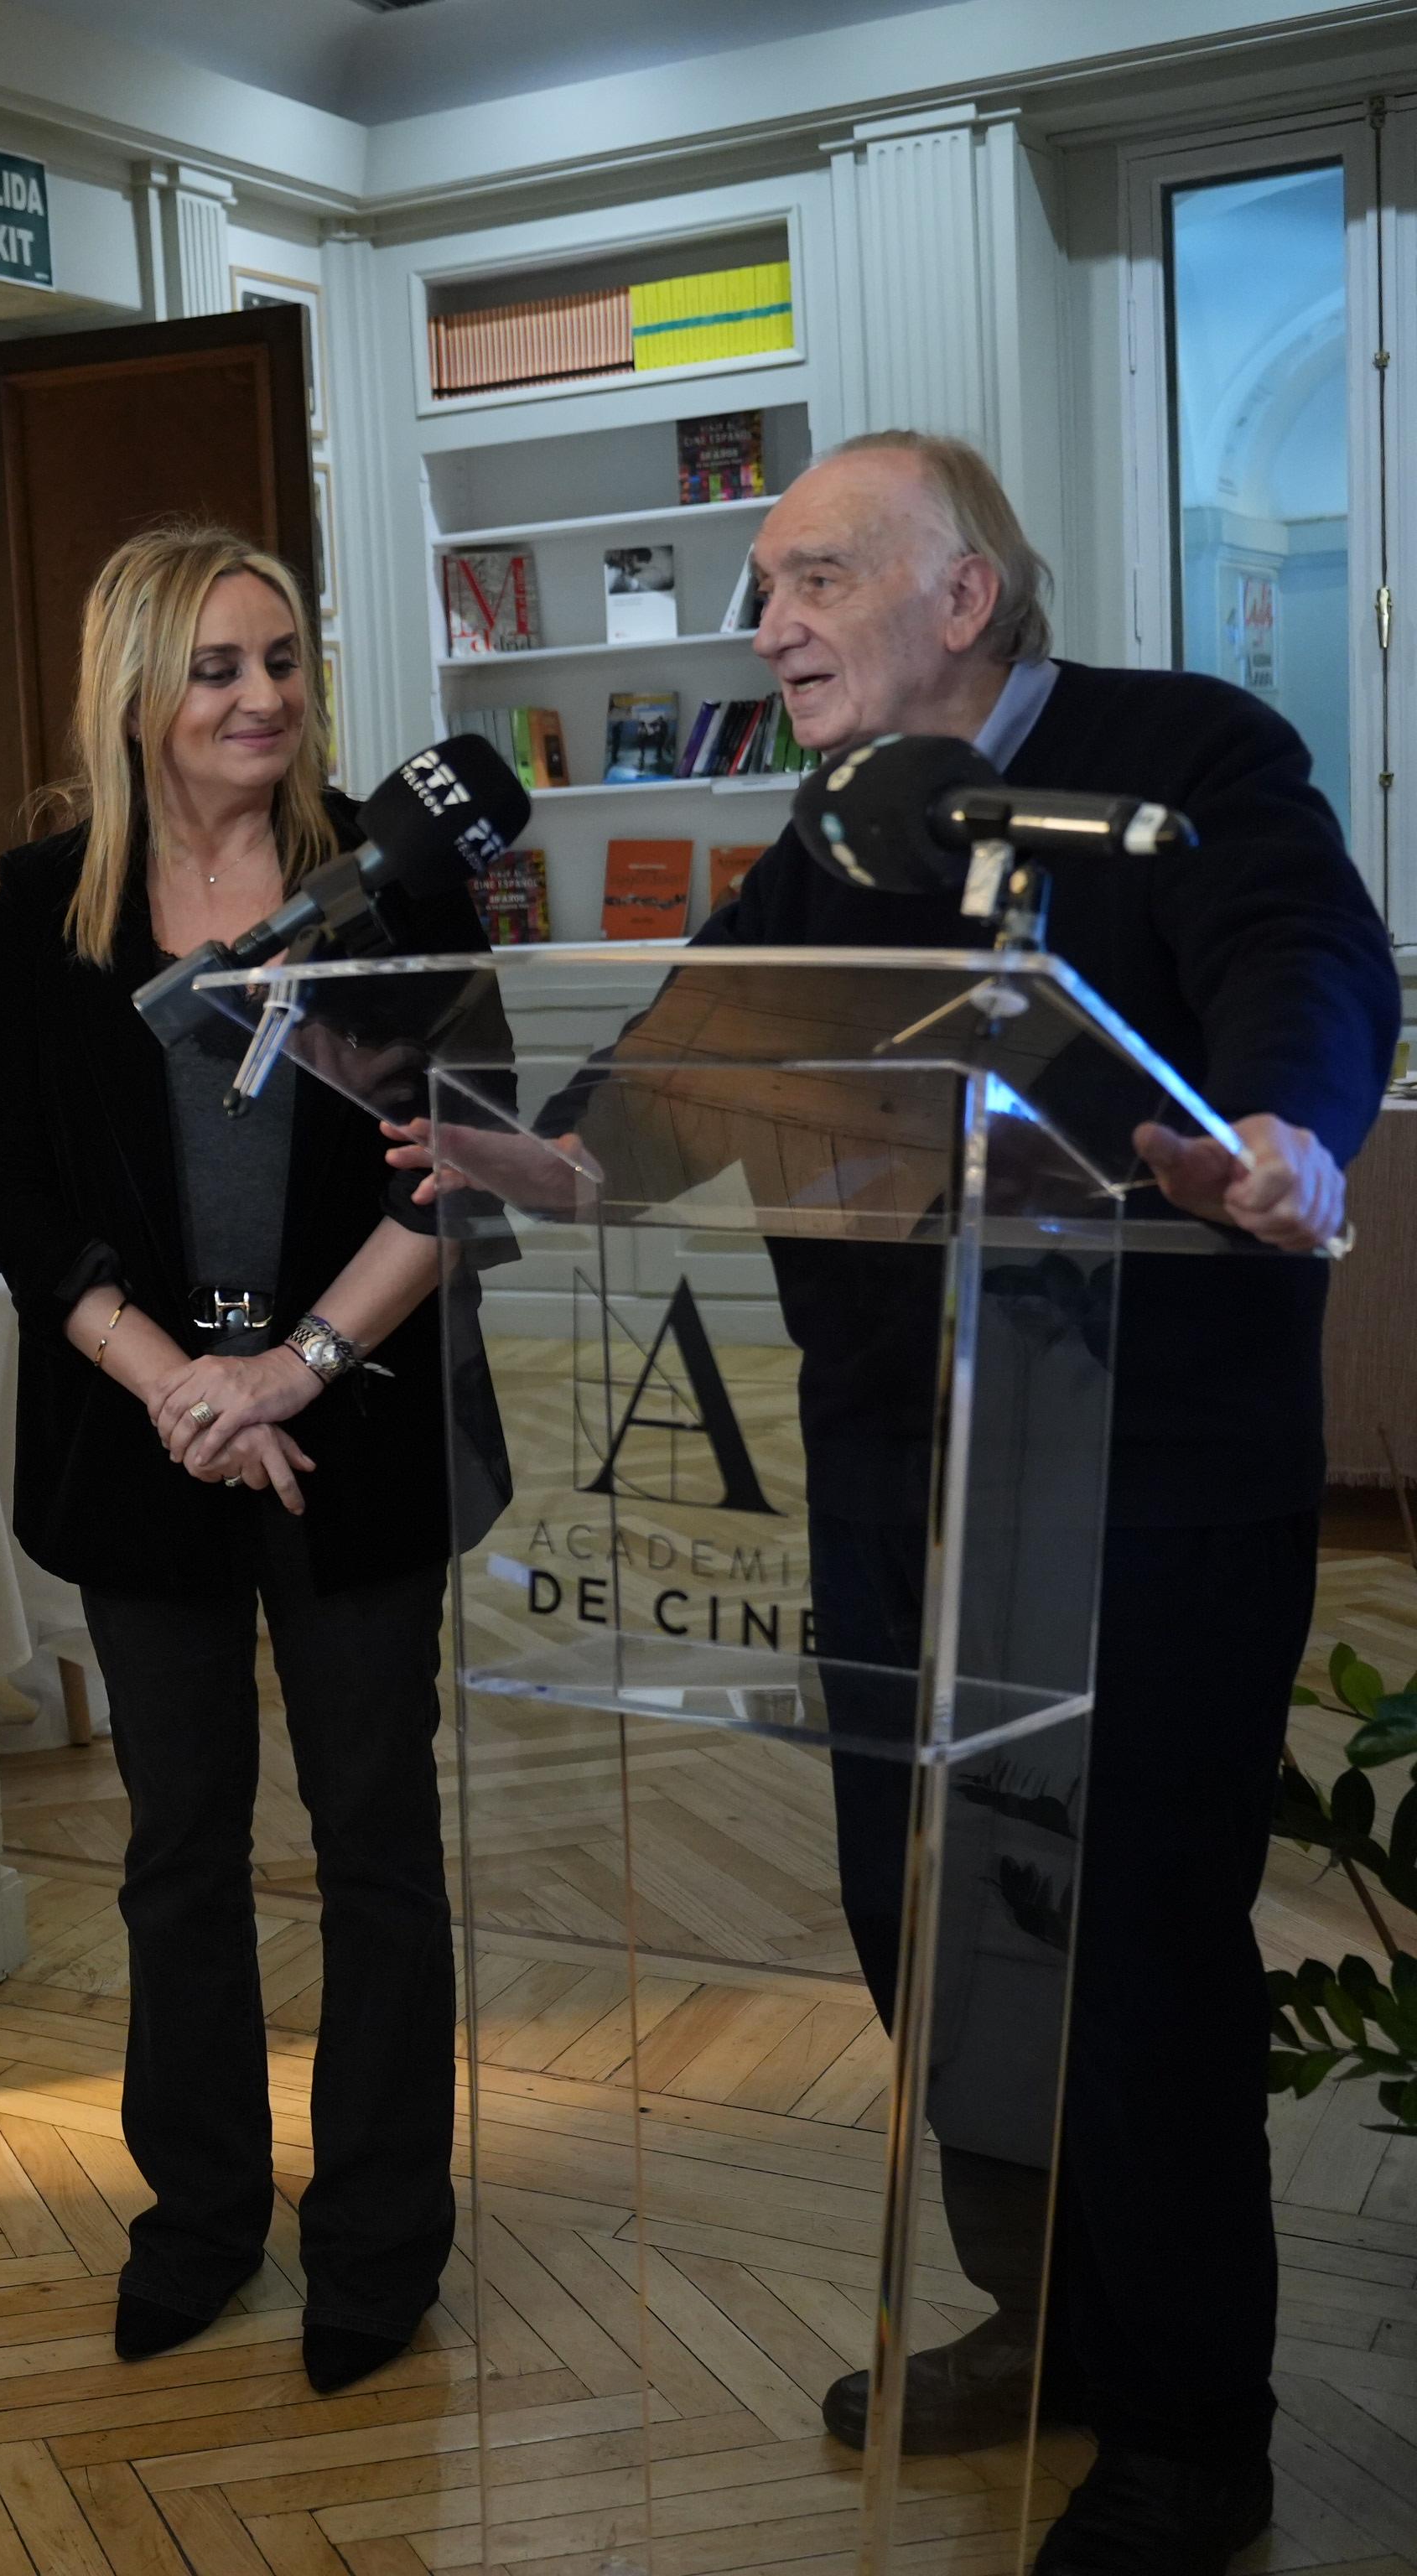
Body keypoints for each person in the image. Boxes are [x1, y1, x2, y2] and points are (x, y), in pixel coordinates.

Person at [406, 434, 1395, 2576]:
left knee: (1123, 1958)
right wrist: (559, 1154)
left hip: (1145, 1489)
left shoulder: (1184, 752)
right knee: (931, 1937)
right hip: (894, 1478)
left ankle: (1185, 2436)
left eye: (807, 578)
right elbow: (701, 1042)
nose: (764, 625)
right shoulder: (837, 818)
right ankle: (1040, 2326)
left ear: (961, 593)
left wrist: (1285, 1128)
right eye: (759, 585)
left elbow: (1301, 962)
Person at [0, 525, 501, 2386]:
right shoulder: (44, 904)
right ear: (131, 691)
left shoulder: (392, 879)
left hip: (356, 1423)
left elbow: (466, 1165)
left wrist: (289, 1368)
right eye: (213, 667)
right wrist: (171, 1378)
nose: (257, 698)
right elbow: (0, 1179)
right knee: (176, 1850)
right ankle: (193, 2222)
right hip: (137, 1443)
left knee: (373, 1847)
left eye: (277, 660)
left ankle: (374, 2251)